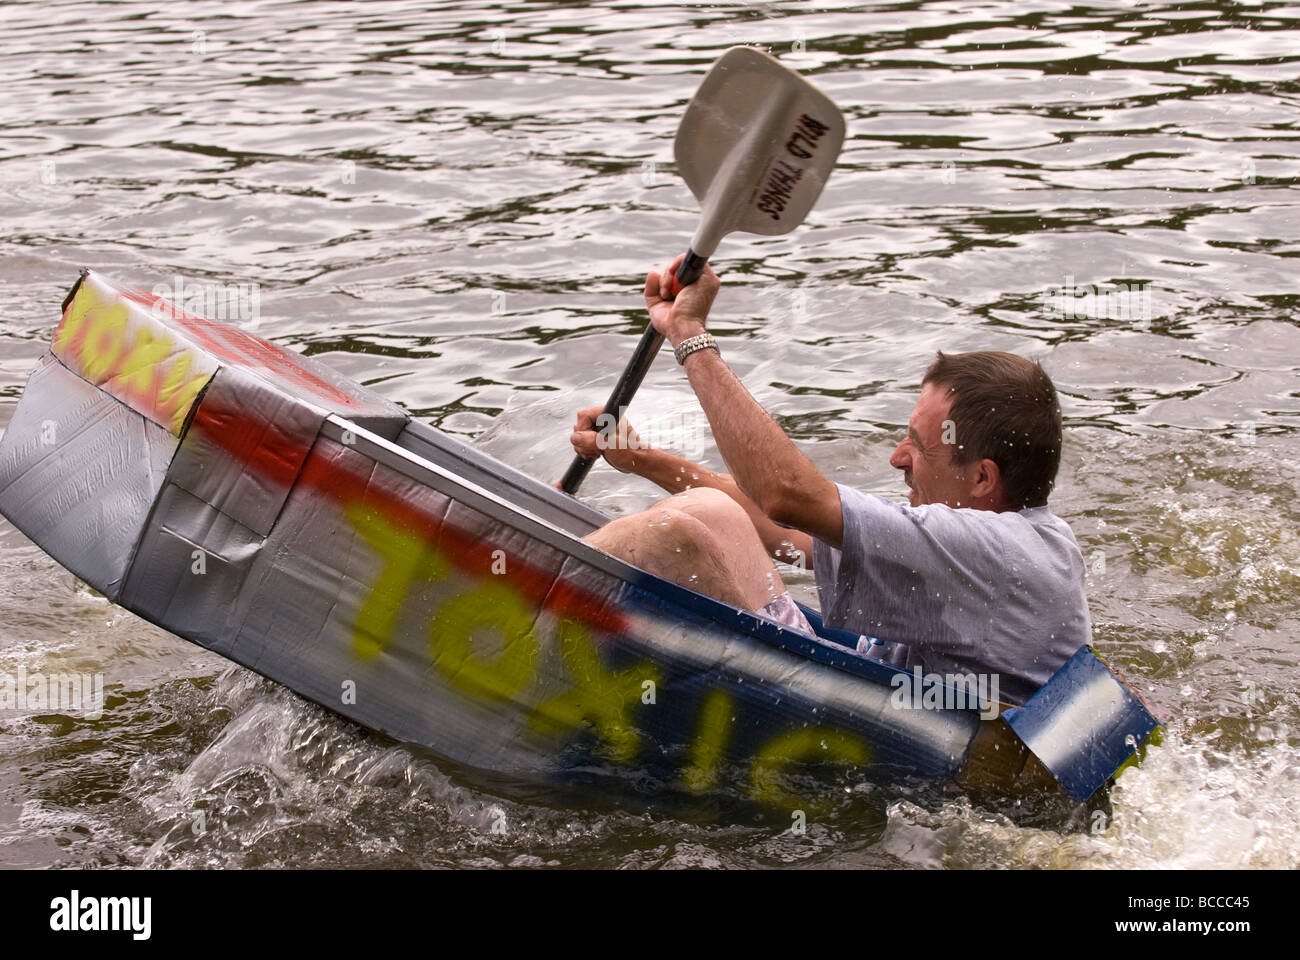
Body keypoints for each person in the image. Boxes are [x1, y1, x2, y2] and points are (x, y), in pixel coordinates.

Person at [569, 256, 1090, 705]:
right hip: (870, 686)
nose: (897, 458)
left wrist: (690, 336)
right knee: (711, 510)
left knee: (669, 538)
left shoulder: (1000, 552)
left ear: (982, 477)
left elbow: (786, 496)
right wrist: (641, 459)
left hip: (904, 743)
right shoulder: (994, 533)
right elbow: (789, 534)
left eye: (919, 445)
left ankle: (516, 619)